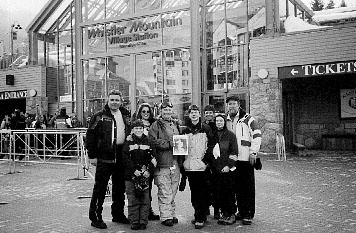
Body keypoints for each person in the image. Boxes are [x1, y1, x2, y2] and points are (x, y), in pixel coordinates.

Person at [86, 90, 131, 229]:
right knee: (100, 188)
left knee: (119, 188)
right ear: (107, 101)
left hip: (121, 155)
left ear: (121, 101)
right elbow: (90, 136)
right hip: (104, 157)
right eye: (112, 100)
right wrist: (92, 155)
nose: (114, 102)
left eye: (117, 100)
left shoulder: (125, 115)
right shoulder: (99, 116)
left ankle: (117, 214)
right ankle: (96, 217)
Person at [225, 95, 262, 225]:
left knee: (247, 188)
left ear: (238, 104)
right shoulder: (226, 119)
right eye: (230, 104)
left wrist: (253, 152)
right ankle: (240, 211)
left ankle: (248, 214)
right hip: (232, 159)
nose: (232, 106)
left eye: (234, 104)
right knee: (236, 187)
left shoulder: (248, 119)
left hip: (245, 159)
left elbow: (257, 135)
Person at [148, 101, 182, 227]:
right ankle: (165, 216)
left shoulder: (175, 124)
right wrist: (168, 144)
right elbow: (152, 141)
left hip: (175, 161)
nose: (167, 112)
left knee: (173, 189)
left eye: (169, 110)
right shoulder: (155, 125)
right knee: (164, 190)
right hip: (162, 162)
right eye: (165, 110)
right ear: (160, 111)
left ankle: (171, 213)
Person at [180, 104, 214, 229]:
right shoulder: (184, 130)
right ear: (189, 115)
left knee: (203, 191)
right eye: (191, 112)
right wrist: (182, 166)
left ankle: (201, 216)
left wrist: (206, 161)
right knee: (194, 193)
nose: (193, 114)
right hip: (189, 167)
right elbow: (181, 150)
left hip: (202, 167)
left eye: (196, 112)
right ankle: (198, 213)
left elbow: (211, 146)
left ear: (199, 114)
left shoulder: (206, 128)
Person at [122, 119, 157, 230]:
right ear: (132, 130)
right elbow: (125, 158)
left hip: (145, 175)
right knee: (133, 200)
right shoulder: (128, 142)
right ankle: (134, 221)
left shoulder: (148, 142)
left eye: (140, 128)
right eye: (136, 128)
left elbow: (154, 159)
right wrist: (133, 170)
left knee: (145, 200)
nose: (138, 130)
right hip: (131, 176)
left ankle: (143, 221)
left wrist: (148, 171)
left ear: (144, 129)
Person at [133, 103, 160, 221]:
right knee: (138, 187)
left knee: (148, 186)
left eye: (147, 112)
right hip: (138, 158)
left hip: (150, 157)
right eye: (143, 111)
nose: (145, 114)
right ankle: (138, 212)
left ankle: (148, 210)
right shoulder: (135, 125)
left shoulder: (154, 124)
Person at [212, 114, 238, 225]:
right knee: (220, 193)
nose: (219, 123)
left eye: (221, 121)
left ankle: (231, 214)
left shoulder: (230, 135)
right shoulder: (212, 135)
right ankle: (224, 213)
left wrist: (228, 165)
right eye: (217, 121)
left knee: (229, 193)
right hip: (216, 170)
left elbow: (234, 152)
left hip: (227, 170)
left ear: (224, 122)